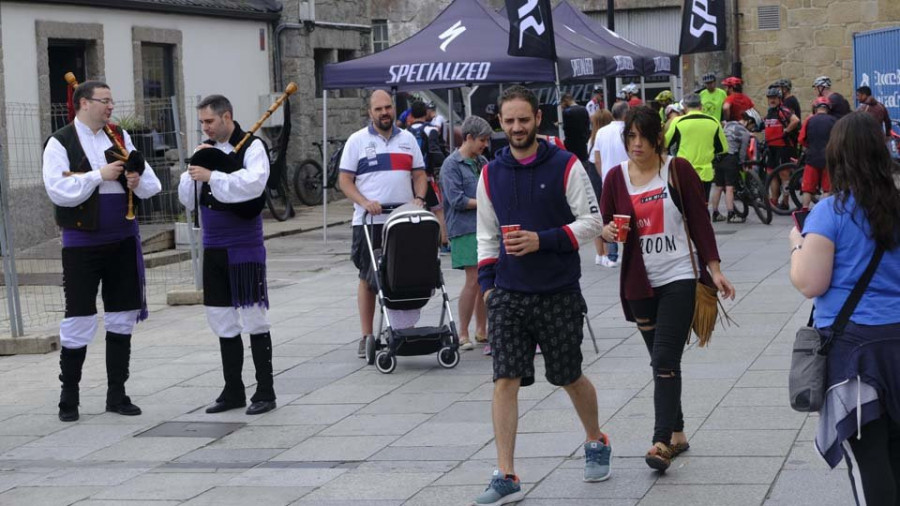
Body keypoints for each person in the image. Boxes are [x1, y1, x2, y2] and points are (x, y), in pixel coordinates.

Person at [472, 85, 610, 506]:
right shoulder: (490, 173)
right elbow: (485, 236)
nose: (517, 127)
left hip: (557, 291)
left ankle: (595, 439)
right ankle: (506, 473)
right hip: (510, 295)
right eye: (509, 121)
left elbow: (594, 222)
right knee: (504, 380)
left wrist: (543, 240)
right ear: (500, 122)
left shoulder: (566, 165)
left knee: (568, 376)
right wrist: (489, 288)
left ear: (538, 119)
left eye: (524, 119)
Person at [600, 106, 735, 472]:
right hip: (639, 283)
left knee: (663, 360)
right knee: (663, 363)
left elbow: (700, 220)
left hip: (679, 276)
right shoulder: (615, 178)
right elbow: (606, 224)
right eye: (630, 136)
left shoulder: (676, 169)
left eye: (643, 136)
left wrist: (715, 270)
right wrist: (608, 233)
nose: (636, 143)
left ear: (658, 137)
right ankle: (678, 433)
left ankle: (660, 442)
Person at [788, 112, 900, 506]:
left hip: (856, 356)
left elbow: (809, 283)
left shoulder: (831, 212)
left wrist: (796, 245)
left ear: (837, 157)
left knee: (869, 458)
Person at [43, 80, 162, 422]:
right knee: (79, 317)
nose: (111, 107)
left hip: (123, 240)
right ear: (83, 104)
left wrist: (136, 181)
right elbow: (59, 190)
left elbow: (152, 185)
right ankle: (69, 397)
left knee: (122, 316)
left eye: (112, 100)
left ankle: (117, 393)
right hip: (83, 244)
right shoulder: (60, 142)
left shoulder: (120, 137)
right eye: (104, 101)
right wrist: (99, 175)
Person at [178, 94, 277, 415]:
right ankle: (233, 389)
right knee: (220, 317)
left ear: (227, 117)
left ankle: (265, 391)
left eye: (209, 121)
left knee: (253, 316)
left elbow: (254, 184)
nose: (204, 127)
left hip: (244, 246)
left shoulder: (253, 146)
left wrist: (214, 176)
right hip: (214, 246)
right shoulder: (203, 150)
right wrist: (195, 172)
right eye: (202, 122)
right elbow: (189, 198)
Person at [338, 90, 428, 359]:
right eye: (378, 109)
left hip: (402, 221)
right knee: (368, 277)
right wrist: (364, 202)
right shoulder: (357, 141)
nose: (384, 112)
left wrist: (420, 197)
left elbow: (419, 174)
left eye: (388, 107)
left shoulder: (408, 139)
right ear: (370, 112)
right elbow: (345, 181)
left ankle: (400, 328)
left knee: (403, 274)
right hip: (370, 221)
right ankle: (366, 335)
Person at [440, 116, 491, 352]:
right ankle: (462, 332)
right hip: (464, 228)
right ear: (468, 138)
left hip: (485, 226)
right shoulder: (451, 165)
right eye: (482, 140)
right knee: (473, 280)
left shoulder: (482, 162)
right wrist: (485, 202)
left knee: (485, 281)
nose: (485, 145)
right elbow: (456, 200)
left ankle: (482, 330)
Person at [664, 93, 728, 200]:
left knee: (686, 204)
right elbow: (723, 148)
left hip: (684, 171)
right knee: (703, 204)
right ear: (701, 106)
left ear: (684, 107)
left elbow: (665, 144)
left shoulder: (678, 122)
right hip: (706, 172)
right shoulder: (713, 121)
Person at [591, 101, 631, 267]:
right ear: (625, 113)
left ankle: (612, 256)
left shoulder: (601, 132)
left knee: (609, 216)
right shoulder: (629, 130)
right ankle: (630, 251)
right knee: (630, 214)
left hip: (608, 178)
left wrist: (604, 176)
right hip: (629, 177)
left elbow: (597, 159)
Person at [408, 100, 450, 249]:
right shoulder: (430, 129)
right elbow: (434, 151)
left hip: (410, 178)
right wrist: (447, 163)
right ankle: (443, 241)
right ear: (426, 113)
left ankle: (415, 243)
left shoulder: (404, 133)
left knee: (414, 209)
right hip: (427, 176)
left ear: (411, 114)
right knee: (438, 209)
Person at [709, 109, 752, 223]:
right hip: (730, 158)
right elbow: (742, 152)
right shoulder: (745, 133)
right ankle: (731, 214)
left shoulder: (727, 125)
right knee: (729, 188)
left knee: (718, 186)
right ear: (748, 122)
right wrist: (742, 163)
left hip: (718, 158)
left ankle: (715, 213)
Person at [763, 86, 801, 210]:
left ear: (779, 99)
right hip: (772, 147)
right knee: (771, 174)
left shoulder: (784, 110)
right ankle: (774, 200)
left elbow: (795, 120)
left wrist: (786, 130)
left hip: (783, 147)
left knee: (784, 174)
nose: (772, 100)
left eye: (774, 98)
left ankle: (785, 202)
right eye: (770, 98)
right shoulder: (770, 112)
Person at [798, 97, 837, 209]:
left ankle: (805, 209)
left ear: (815, 108)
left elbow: (801, 139)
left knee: (808, 188)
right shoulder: (834, 121)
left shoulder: (809, 120)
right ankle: (821, 211)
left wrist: (809, 146)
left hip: (812, 157)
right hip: (828, 158)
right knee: (827, 188)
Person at [587, 108, 614, 266]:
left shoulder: (592, 140)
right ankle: (606, 253)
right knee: (607, 216)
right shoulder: (604, 138)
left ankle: (600, 253)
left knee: (598, 216)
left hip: (594, 179)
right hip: (602, 178)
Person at [560, 93, 591, 163]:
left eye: (562, 103)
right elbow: (587, 125)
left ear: (566, 101)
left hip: (571, 145)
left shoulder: (567, 112)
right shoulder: (584, 109)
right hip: (582, 144)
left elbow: (566, 129)